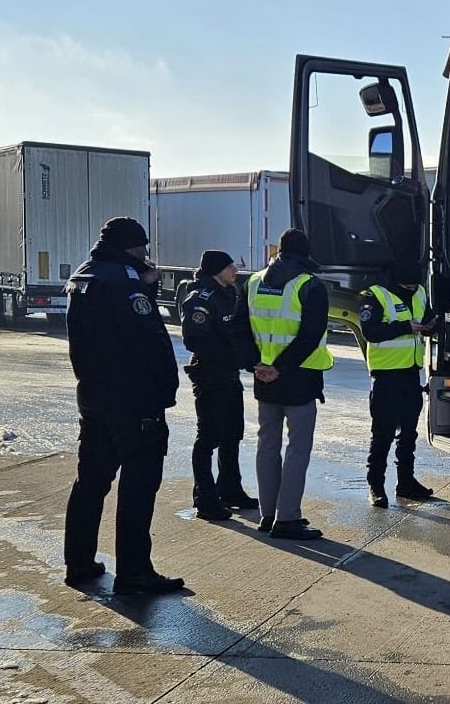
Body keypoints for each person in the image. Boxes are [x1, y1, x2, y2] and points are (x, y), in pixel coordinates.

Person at [62, 217, 184, 595]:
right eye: (144, 249)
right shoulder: (127, 284)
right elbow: (151, 343)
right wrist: (165, 391)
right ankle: (134, 572)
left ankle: (79, 562)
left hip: (94, 395)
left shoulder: (86, 275)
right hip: (133, 401)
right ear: (134, 248)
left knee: (91, 482)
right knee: (139, 485)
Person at [235, 228, 330, 541]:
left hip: (265, 379)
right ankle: (287, 518)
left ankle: (268, 514)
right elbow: (309, 335)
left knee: (267, 445)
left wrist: (257, 365)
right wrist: (280, 367)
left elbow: (240, 330)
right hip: (298, 378)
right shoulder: (309, 285)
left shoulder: (252, 282)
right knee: (297, 449)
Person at [181, 249, 259, 521]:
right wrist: (227, 354)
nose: (235, 271)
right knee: (209, 437)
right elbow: (194, 339)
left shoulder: (230, 292)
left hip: (229, 375)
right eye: (230, 267)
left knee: (232, 434)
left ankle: (230, 488)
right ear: (217, 270)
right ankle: (205, 497)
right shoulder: (200, 299)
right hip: (210, 376)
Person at [359, 261, 436, 508]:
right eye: (408, 284)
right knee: (382, 434)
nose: (412, 288)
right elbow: (371, 331)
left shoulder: (420, 291)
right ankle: (376, 486)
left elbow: (425, 315)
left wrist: (429, 325)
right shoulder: (376, 294)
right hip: (385, 376)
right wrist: (405, 327)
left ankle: (406, 482)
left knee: (409, 434)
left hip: (411, 373)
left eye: (415, 283)